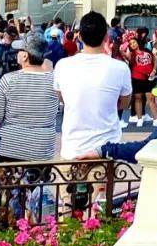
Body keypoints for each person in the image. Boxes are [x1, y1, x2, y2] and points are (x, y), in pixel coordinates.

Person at [53, 12, 132, 161]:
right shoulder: (120, 68)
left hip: (73, 149)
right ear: (106, 37)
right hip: (106, 150)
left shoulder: (62, 66)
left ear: (80, 37)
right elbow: (124, 103)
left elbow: (62, 98)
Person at [0, 31, 58, 163]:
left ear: (25, 56)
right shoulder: (55, 80)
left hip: (9, 148)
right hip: (42, 150)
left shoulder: (8, 80)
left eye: (19, 50)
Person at [125, 33, 157, 127]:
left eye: (134, 42)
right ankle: (139, 119)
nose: (133, 44)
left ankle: (156, 119)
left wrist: (154, 70)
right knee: (138, 98)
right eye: (131, 44)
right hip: (137, 77)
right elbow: (124, 53)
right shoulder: (131, 54)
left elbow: (155, 60)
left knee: (151, 98)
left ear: (137, 42)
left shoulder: (147, 50)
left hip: (149, 77)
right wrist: (125, 44)